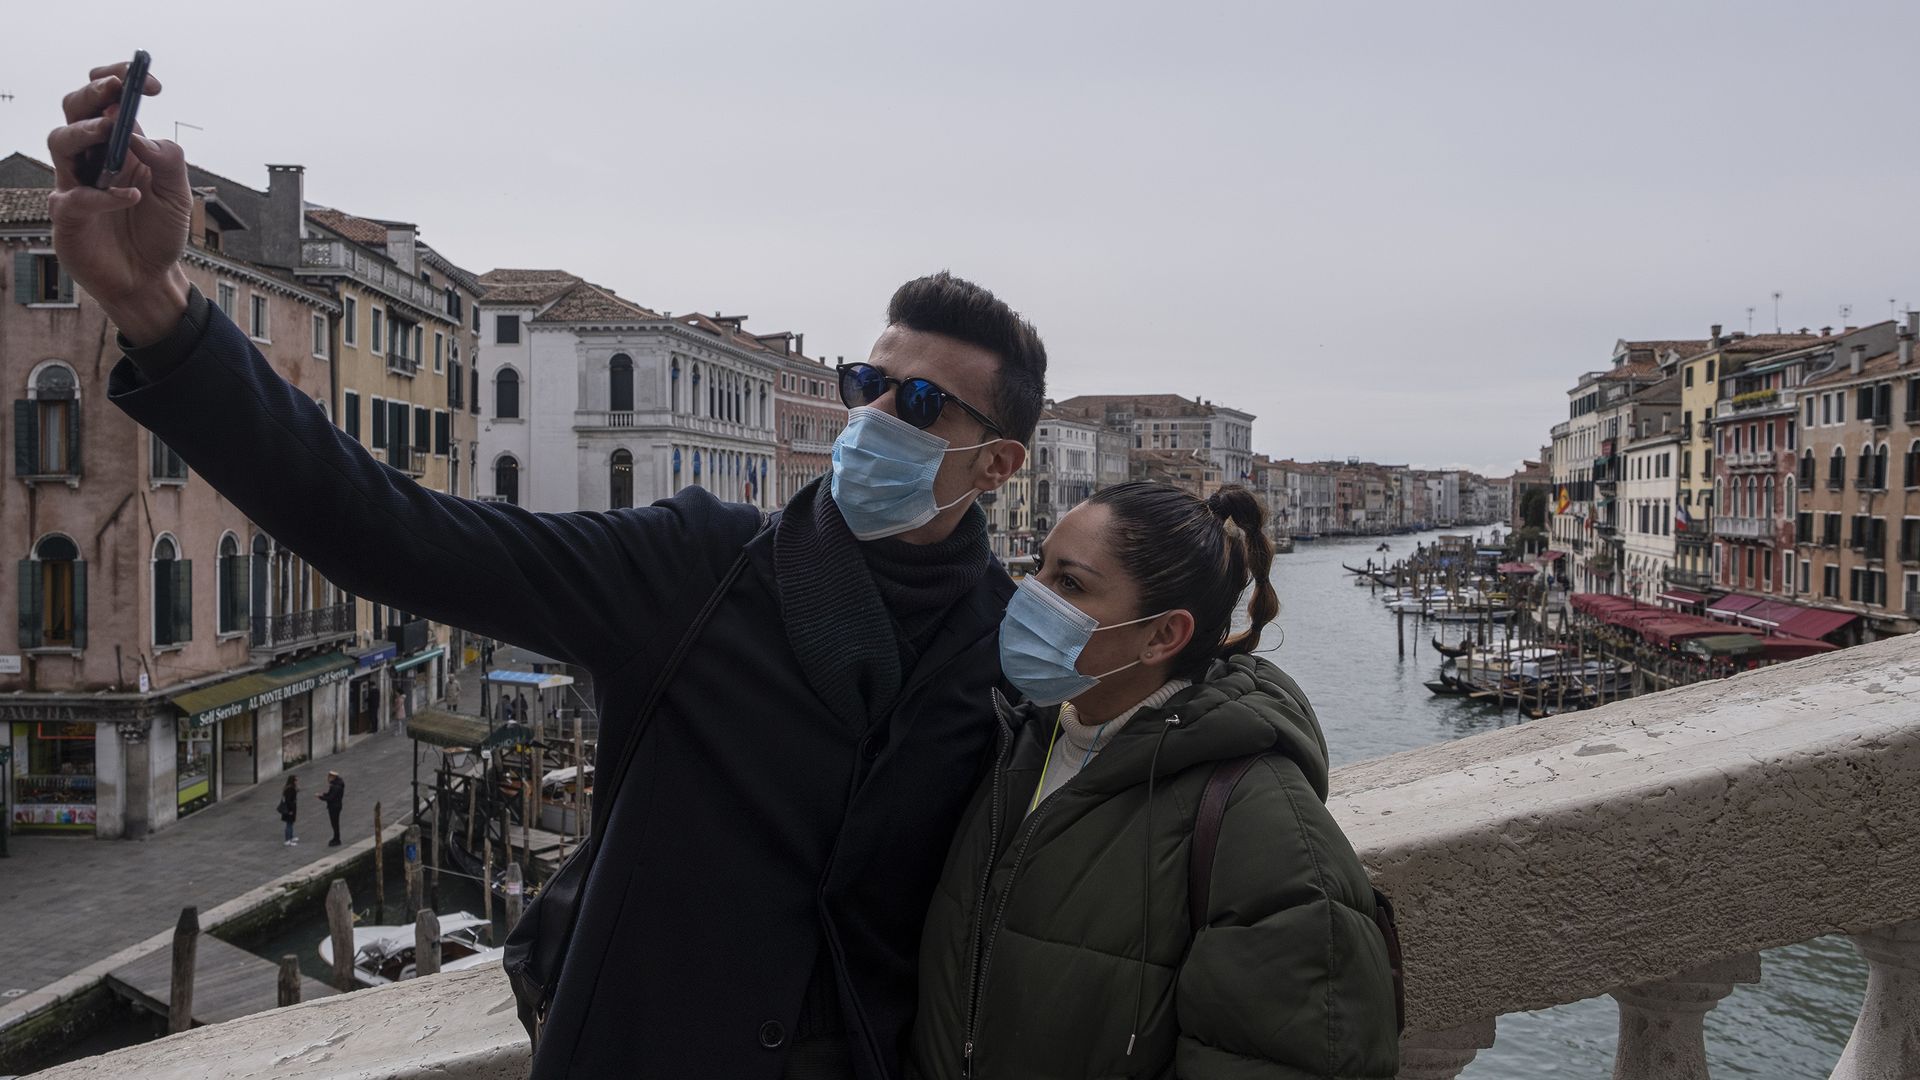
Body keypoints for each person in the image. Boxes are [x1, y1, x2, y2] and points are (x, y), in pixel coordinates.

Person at [50, 60, 1043, 1080]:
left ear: (998, 463)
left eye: (918, 406)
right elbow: (388, 532)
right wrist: (160, 308)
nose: (872, 418)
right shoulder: (697, 567)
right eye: (866, 384)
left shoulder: (1011, 657)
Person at [908, 483, 1401, 1079]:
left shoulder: (1263, 821)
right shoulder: (1020, 744)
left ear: (1163, 635)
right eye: (1038, 567)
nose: (1027, 594)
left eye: (1069, 583)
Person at [319, 771, 345, 847]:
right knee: (334, 823)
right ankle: (336, 838)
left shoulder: (335, 787)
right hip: (336, 806)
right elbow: (330, 794)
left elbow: (331, 798)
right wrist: (323, 794)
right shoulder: (337, 785)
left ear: (332, 777)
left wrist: (320, 797)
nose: (328, 779)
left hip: (334, 807)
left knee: (335, 823)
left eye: (329, 777)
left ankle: (337, 839)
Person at [277, 775, 299, 846]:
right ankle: (287, 840)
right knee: (289, 824)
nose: (297, 782)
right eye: (295, 780)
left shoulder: (290, 788)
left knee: (291, 823)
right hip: (289, 809)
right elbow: (288, 800)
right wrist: (290, 810)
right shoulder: (290, 789)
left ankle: (291, 837)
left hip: (290, 808)